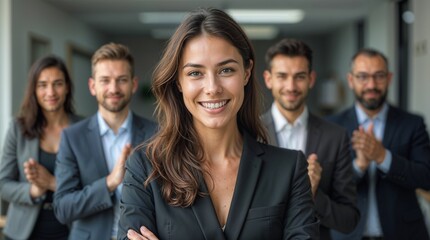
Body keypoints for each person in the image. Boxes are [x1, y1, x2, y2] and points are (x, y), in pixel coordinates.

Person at [118, 8, 319, 240]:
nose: (212, 87)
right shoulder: (145, 168)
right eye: (195, 73)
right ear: (179, 82)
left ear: (246, 72)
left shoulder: (288, 168)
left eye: (226, 70)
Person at [53, 43, 157, 240]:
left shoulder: (157, 135)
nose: (114, 88)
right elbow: (63, 208)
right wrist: (109, 183)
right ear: (93, 86)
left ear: (133, 84)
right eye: (105, 80)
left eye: (121, 80)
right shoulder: (72, 138)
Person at [261, 38, 359, 239]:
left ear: (311, 79)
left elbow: (349, 220)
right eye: (282, 76)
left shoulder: (335, 137)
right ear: (268, 79)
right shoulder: (248, 133)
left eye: (299, 76)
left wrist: (313, 194)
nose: (291, 86)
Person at [329, 48, 430, 240]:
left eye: (379, 76)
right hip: (348, 235)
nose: (371, 84)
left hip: (404, 234)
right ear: (351, 80)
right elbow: (328, 187)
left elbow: (425, 177)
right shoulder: (333, 126)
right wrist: (359, 166)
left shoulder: (413, 124)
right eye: (363, 77)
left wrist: (384, 157)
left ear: (389, 78)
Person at [0, 55, 81, 240]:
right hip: (23, 232)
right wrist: (33, 191)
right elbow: (3, 184)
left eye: (57, 83)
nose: (50, 92)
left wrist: (52, 183)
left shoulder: (83, 129)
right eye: (43, 84)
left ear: (67, 87)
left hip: (71, 230)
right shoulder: (18, 128)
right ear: (34, 90)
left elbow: (92, 187)